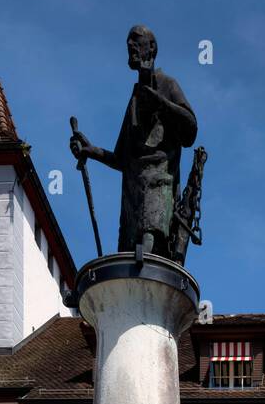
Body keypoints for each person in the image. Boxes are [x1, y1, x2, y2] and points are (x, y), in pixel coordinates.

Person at [70, 25, 197, 259]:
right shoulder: (135, 100)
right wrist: (91, 151)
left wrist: (162, 103)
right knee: (129, 255)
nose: (130, 45)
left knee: (147, 246)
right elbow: (121, 159)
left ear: (152, 47)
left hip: (158, 182)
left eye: (136, 40)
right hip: (132, 192)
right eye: (128, 42)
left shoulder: (168, 84)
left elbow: (190, 130)